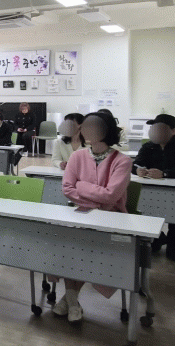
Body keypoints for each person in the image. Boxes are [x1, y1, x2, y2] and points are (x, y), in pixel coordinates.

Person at [54, 111, 132, 322]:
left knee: (90, 251)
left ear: (106, 130)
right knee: (67, 247)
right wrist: (95, 197)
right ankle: (72, 302)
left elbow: (111, 196)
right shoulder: (77, 156)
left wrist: (81, 186)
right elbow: (67, 188)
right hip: (81, 214)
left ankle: (69, 301)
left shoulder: (122, 161)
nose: (86, 131)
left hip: (111, 217)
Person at [132, 113, 175, 258]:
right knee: (152, 247)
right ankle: (159, 238)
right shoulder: (148, 146)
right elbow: (135, 163)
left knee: (172, 255)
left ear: (172, 130)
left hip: (172, 193)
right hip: (151, 192)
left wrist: (165, 174)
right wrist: (138, 170)